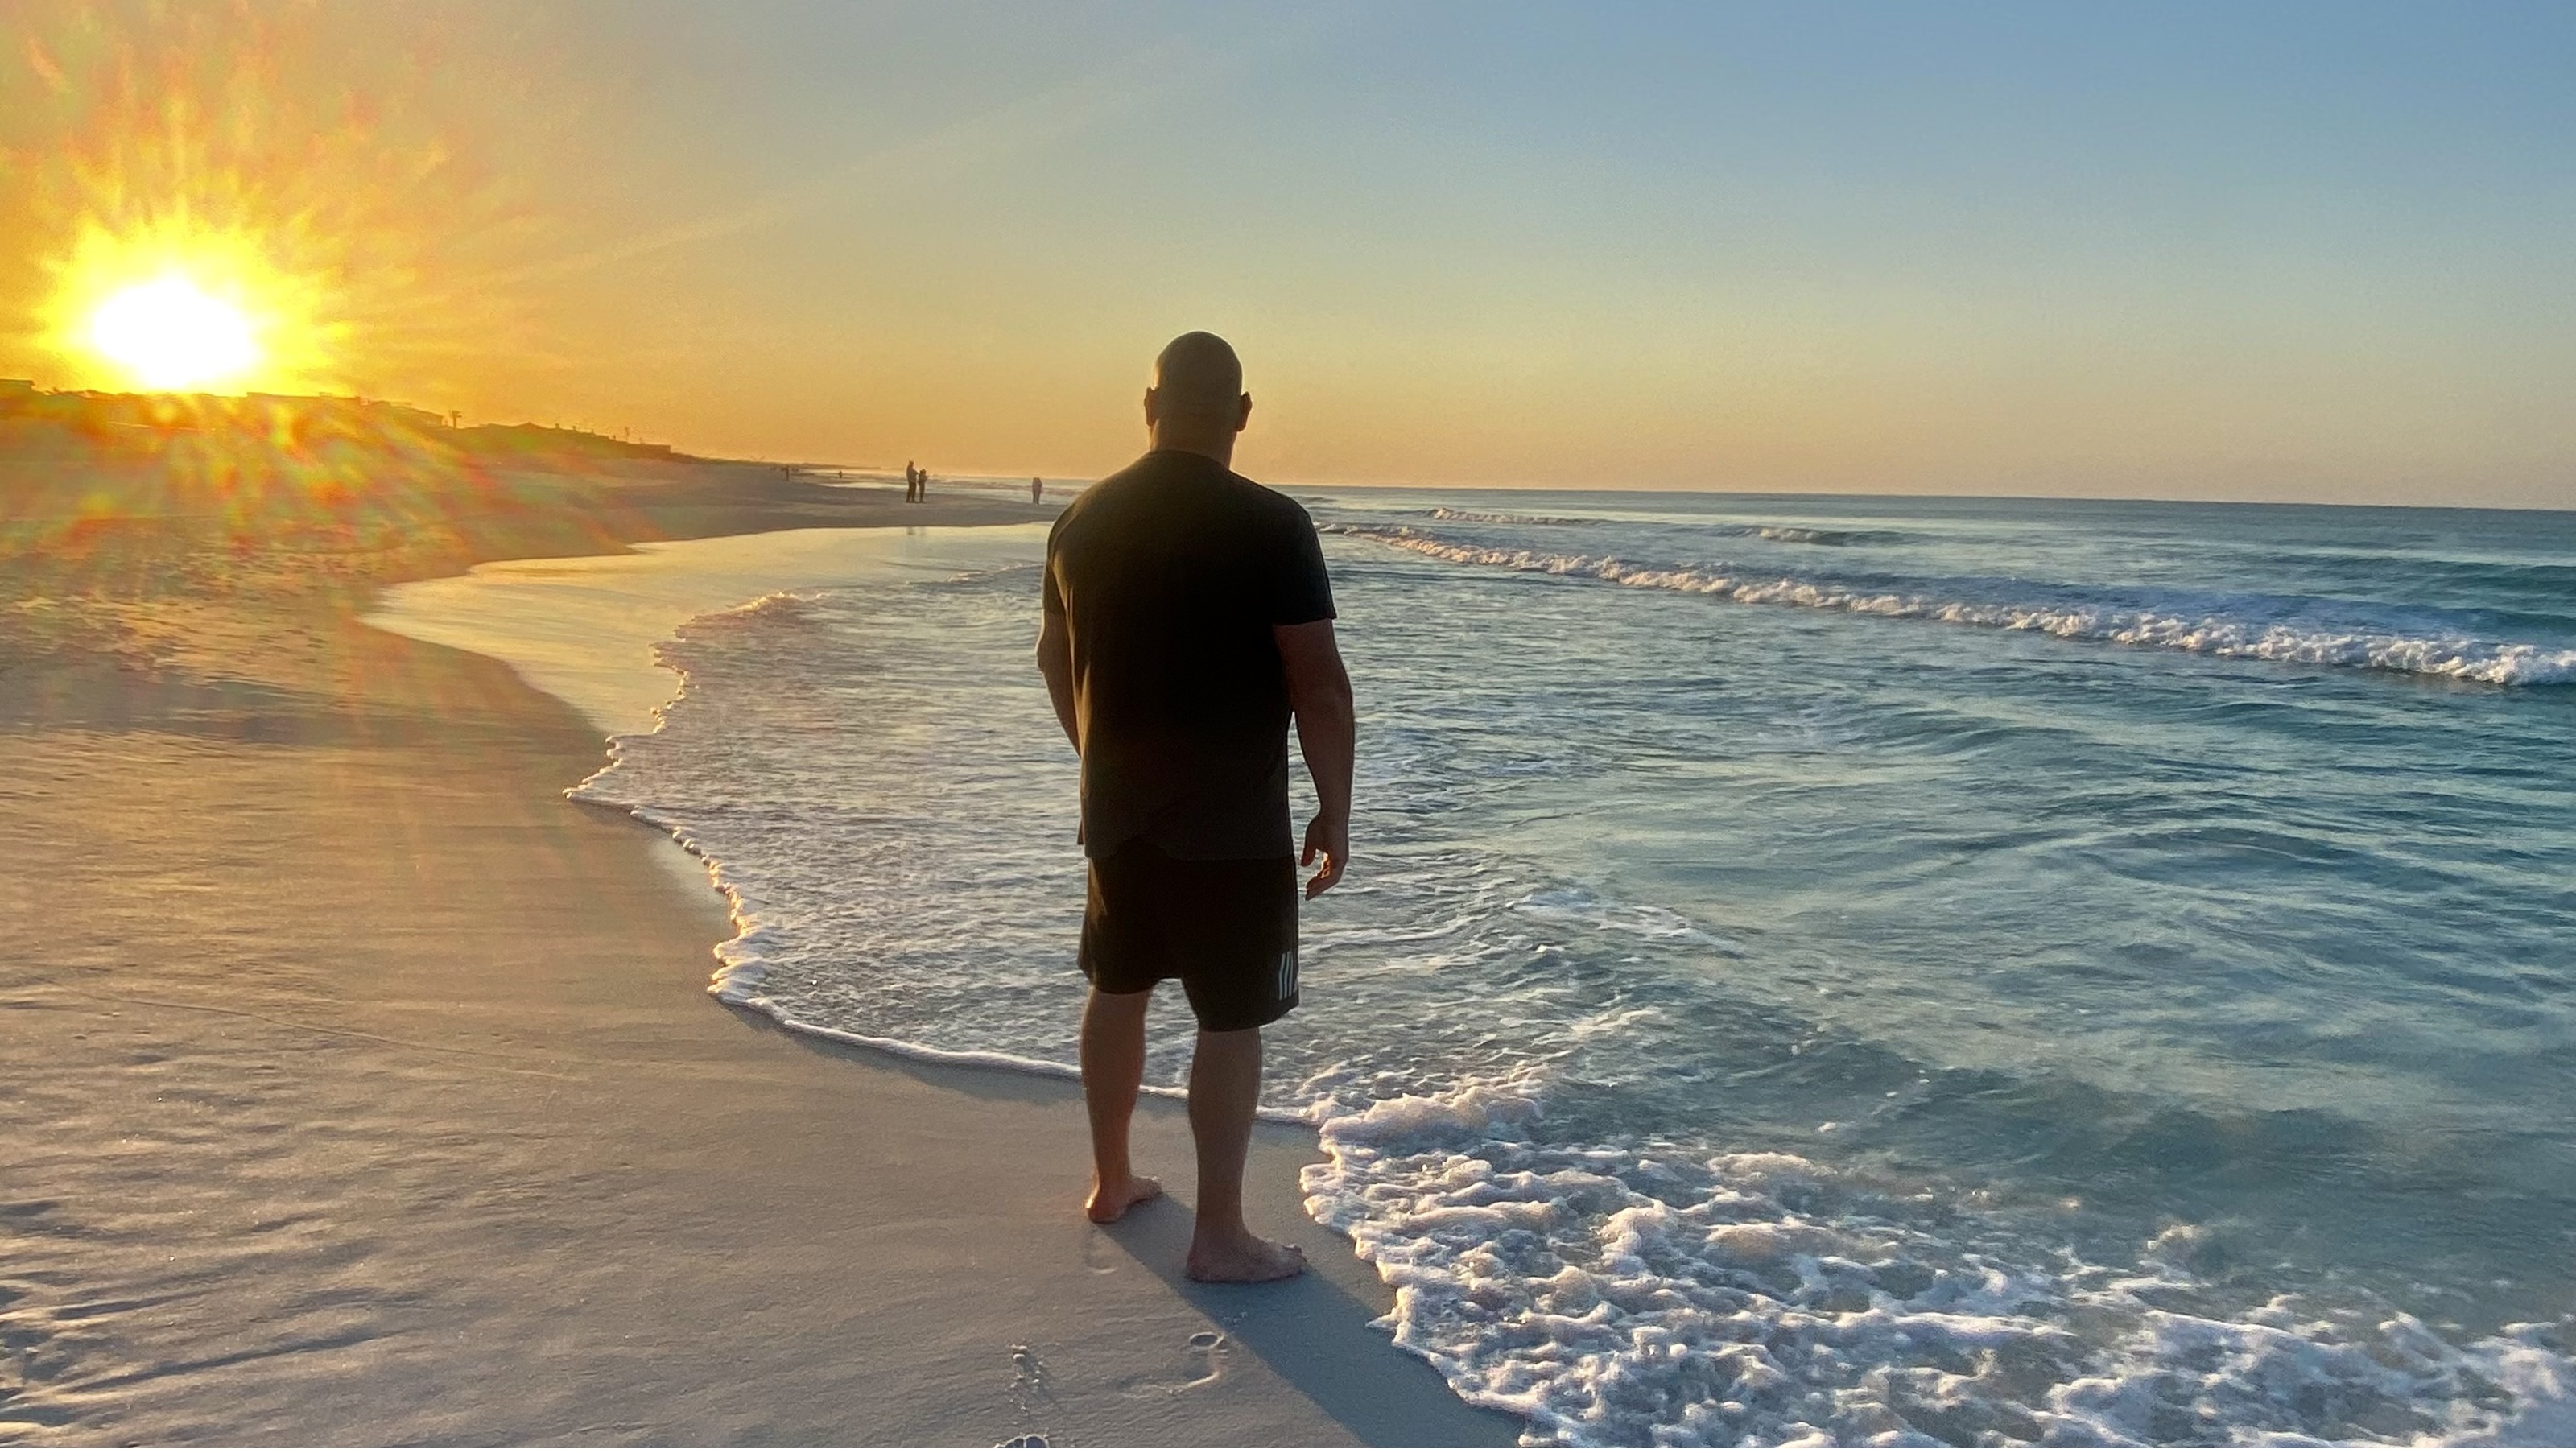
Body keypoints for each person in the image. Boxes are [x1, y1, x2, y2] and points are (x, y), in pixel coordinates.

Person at [1035, 332, 1354, 1283]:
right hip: (1232, 826)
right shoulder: (1269, 524)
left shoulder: (1081, 521)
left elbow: (1055, 662)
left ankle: (1111, 1179)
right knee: (1229, 1020)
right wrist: (1334, 812)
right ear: (1242, 412)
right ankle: (1218, 1235)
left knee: (1117, 985)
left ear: (1149, 404)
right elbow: (1320, 687)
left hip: (1117, 813)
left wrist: (1098, 765)